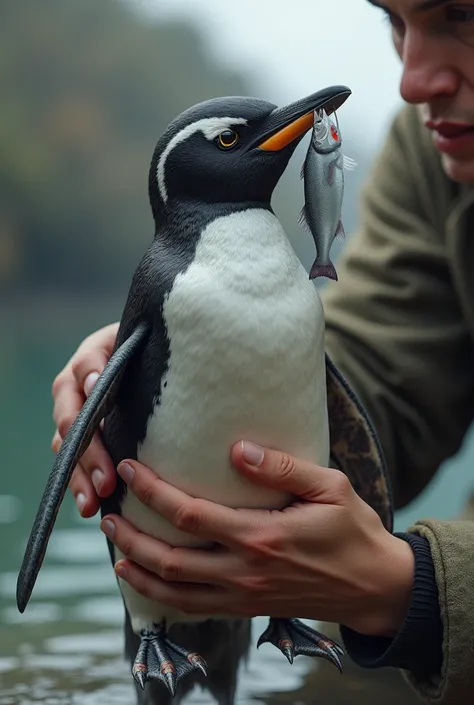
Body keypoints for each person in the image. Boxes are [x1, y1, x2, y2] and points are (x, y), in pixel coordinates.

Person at [50, 0, 474, 702]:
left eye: (459, 14)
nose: (412, 79)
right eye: (394, 25)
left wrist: (417, 590)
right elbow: (381, 374)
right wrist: (206, 360)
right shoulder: (438, 149)